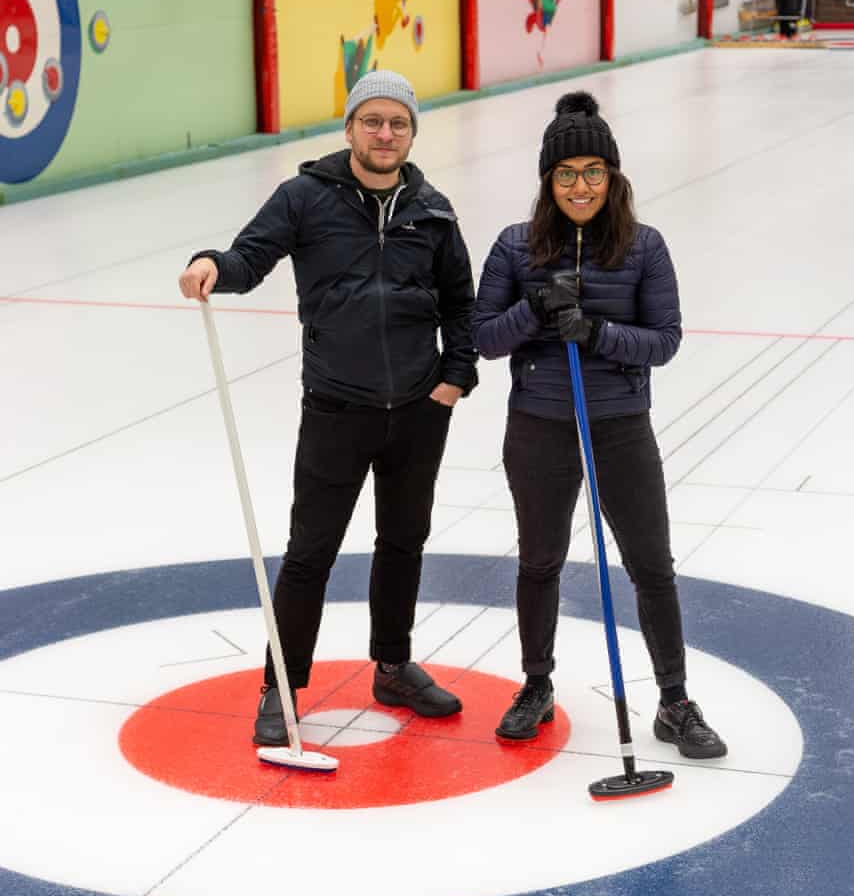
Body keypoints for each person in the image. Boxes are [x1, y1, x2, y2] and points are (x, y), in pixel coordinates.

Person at [178, 69, 478, 744]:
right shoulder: (305, 198)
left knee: (403, 541)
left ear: (411, 133)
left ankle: (393, 666)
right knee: (311, 552)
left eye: (397, 123)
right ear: (349, 129)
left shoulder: (432, 208)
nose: (384, 133)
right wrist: (211, 265)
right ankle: (279, 687)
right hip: (337, 407)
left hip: (419, 409)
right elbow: (249, 258)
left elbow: (462, 301)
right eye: (372, 121)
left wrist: (454, 377)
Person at [472, 92, 727, 760]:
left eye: (592, 172)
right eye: (565, 174)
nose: (579, 185)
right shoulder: (513, 246)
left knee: (652, 564)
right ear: (546, 182)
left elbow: (665, 340)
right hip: (539, 424)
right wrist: (532, 311)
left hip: (619, 426)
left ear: (612, 177)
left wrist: (600, 333)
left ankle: (674, 700)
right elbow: (483, 338)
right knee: (540, 559)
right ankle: (536, 686)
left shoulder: (644, 248)